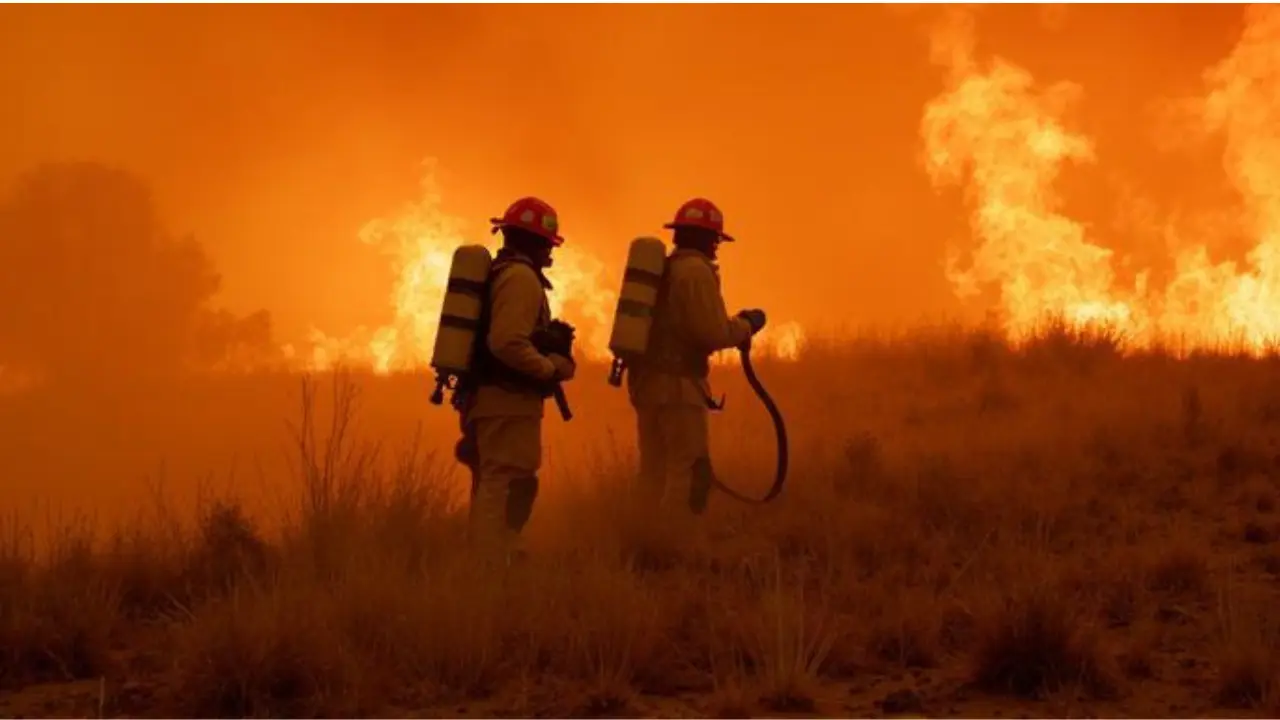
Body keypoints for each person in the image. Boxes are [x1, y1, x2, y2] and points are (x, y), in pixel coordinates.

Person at [454, 196, 577, 562]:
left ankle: (491, 555)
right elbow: (506, 341)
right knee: (507, 480)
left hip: (491, 398)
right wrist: (549, 368)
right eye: (547, 245)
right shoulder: (521, 278)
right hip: (507, 400)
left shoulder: (501, 273)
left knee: (499, 479)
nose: (549, 254)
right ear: (536, 242)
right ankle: (492, 560)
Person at [626, 198, 767, 517]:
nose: (716, 247)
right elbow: (712, 332)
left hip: (648, 385)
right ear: (707, 238)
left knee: (654, 469)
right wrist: (747, 325)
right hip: (679, 388)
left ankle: (643, 536)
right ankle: (676, 542)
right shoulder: (695, 272)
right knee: (689, 471)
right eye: (715, 239)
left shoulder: (668, 269)